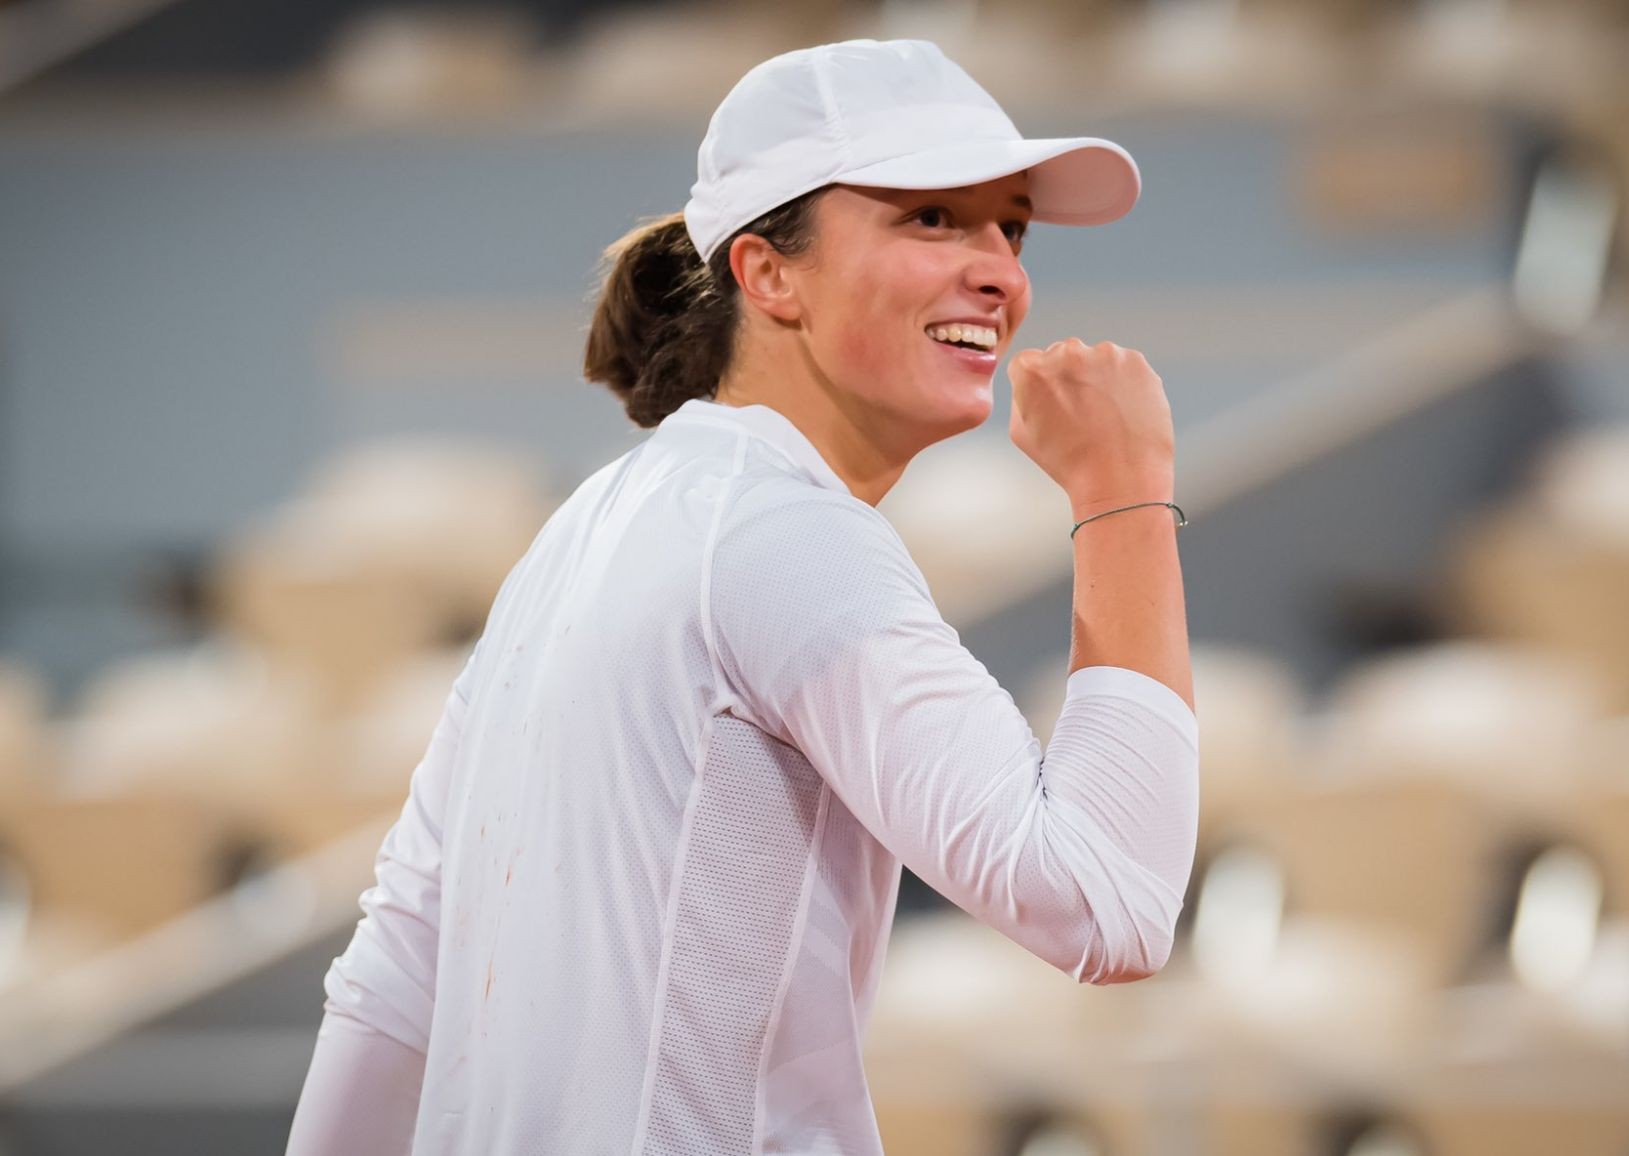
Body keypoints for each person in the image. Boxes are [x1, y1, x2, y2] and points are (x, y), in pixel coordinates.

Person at [286, 36, 1198, 1156]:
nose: (1000, 272)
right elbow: (1109, 903)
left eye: (1010, 228)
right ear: (768, 273)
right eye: (932, 218)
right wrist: (1124, 492)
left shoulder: (589, 524)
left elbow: (396, 972)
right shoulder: (784, 533)